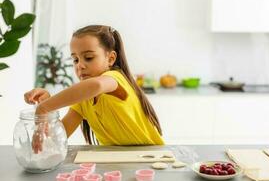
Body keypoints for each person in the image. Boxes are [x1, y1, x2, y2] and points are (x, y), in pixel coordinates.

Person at [24, 25, 164, 153]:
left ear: (110, 59)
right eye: (75, 60)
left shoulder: (114, 78)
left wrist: (44, 107)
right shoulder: (83, 100)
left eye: (89, 58)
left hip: (149, 158)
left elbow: (96, 86)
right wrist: (49, 109)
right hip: (119, 163)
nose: (80, 66)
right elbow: (58, 138)